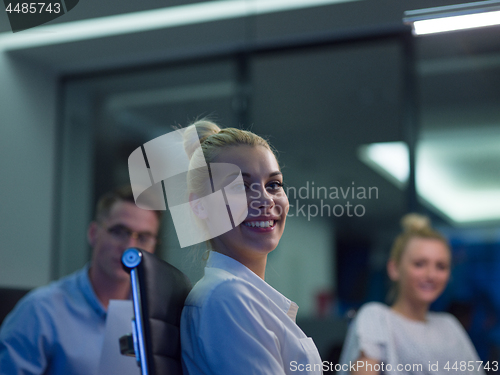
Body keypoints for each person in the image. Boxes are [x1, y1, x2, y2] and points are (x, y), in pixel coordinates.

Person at [180, 120, 323, 374]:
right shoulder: (227, 297)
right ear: (200, 205)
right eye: (239, 187)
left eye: (273, 185)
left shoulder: (242, 296)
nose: (265, 199)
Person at [0, 185, 161, 375]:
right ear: (93, 233)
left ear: (153, 247)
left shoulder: (156, 318)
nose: (129, 248)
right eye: (119, 231)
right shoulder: (40, 311)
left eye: (143, 238)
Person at [338, 214, 485, 375]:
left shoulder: (450, 326)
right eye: (419, 264)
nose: (431, 275)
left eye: (441, 266)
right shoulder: (376, 317)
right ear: (394, 269)